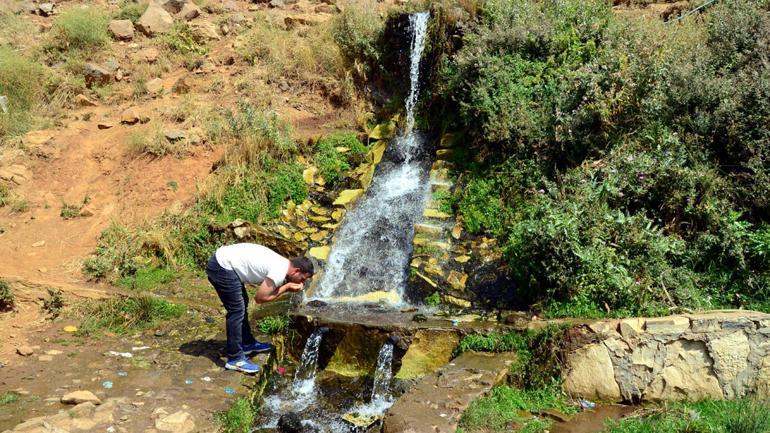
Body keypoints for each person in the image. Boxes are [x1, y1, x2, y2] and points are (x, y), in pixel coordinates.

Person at [206, 243, 314, 373]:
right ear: (296, 271)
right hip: (222, 266)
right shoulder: (279, 271)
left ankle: (247, 343)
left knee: (241, 303)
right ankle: (235, 359)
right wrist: (286, 288)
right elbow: (260, 298)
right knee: (236, 310)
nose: (301, 283)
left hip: (225, 261)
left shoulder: (284, 264)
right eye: (302, 279)